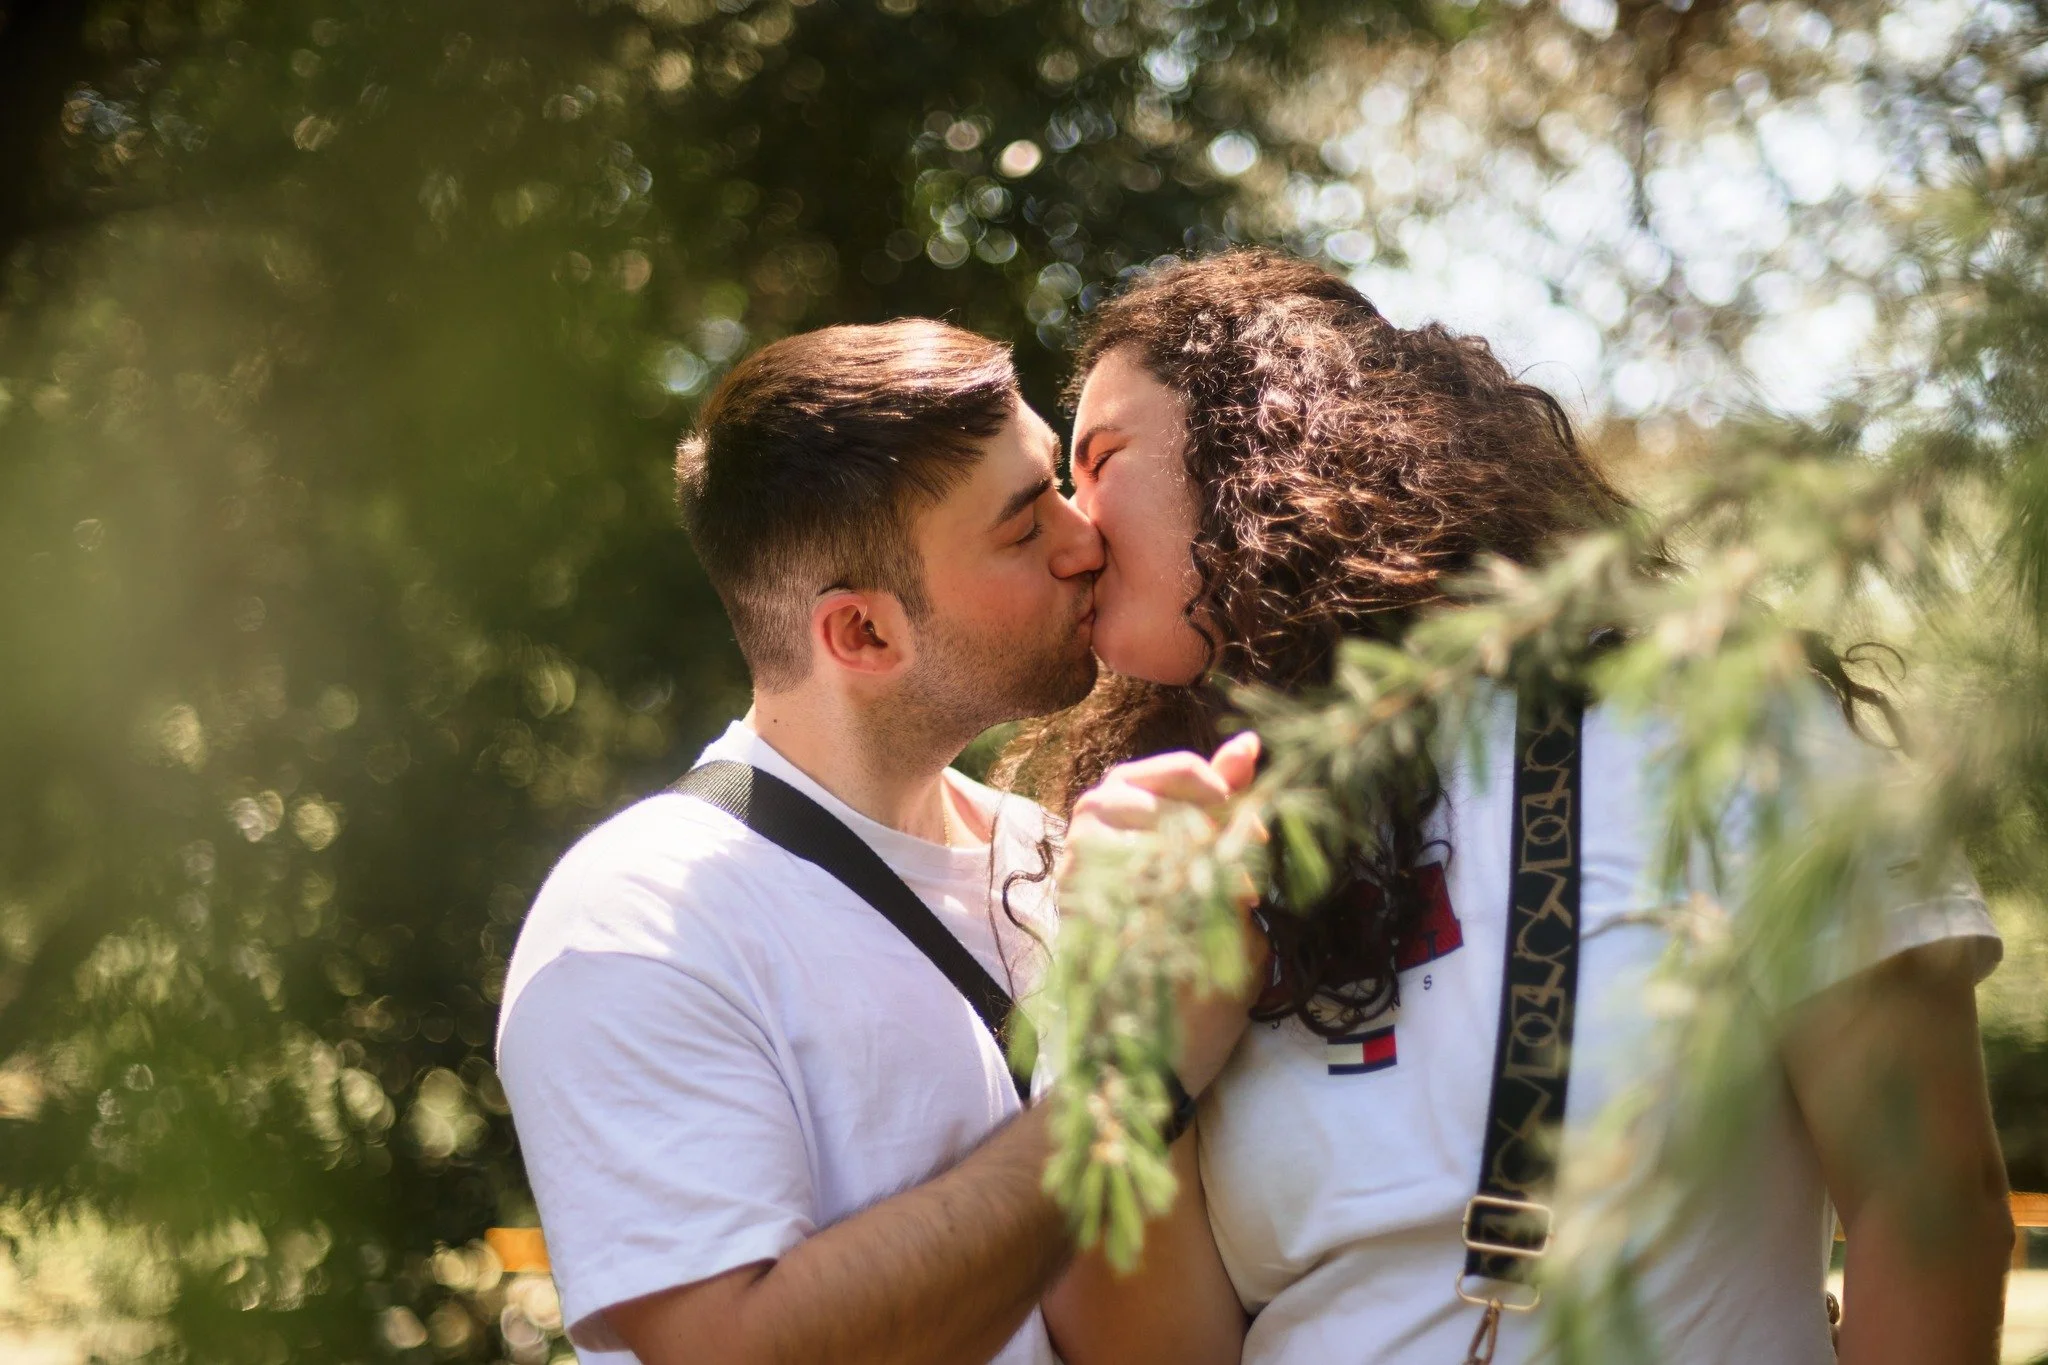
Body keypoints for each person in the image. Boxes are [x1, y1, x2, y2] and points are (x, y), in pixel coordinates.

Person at [1020, 250, 2015, 1365]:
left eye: (1100, 461)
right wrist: (1140, 1057)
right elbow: (1145, 1348)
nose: (1072, 530)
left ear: (1264, 442)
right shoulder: (1136, 852)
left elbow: (1929, 1205)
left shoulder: (1709, 723)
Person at [495, 318, 1251, 1365]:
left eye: (1058, 486)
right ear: (863, 633)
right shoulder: (638, 919)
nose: (1084, 540)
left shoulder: (1069, 860)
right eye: (1023, 527)